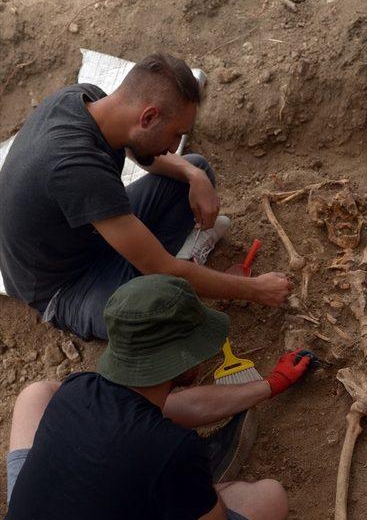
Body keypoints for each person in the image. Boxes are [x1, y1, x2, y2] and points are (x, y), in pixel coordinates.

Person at [0, 274, 312, 520]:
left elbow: (174, 408)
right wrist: (188, 494)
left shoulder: (77, 390)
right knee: (269, 498)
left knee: (36, 394)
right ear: (182, 359)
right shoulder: (174, 450)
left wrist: (269, 385)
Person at [0, 52, 292, 340]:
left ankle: (168, 265)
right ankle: (176, 271)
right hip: (65, 287)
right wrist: (257, 289)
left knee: (193, 170)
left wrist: (195, 176)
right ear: (148, 117)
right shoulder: (76, 167)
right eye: (176, 133)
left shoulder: (85, 99)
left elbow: (140, 153)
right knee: (155, 312)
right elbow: (162, 267)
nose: (176, 144)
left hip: (87, 235)